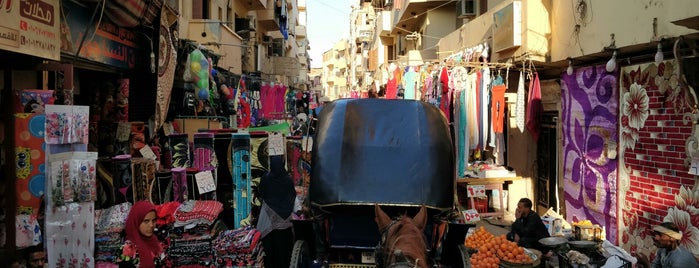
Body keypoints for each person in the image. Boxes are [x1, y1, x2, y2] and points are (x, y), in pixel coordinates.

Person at [257, 155, 296, 267]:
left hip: (269, 217)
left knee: (270, 246)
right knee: (284, 247)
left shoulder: (266, 177)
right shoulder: (287, 179)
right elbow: (292, 195)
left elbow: (261, 192)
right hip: (284, 220)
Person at [117, 200, 166, 268]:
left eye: (154, 220)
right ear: (136, 222)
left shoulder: (157, 243)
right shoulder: (127, 249)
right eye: (146, 221)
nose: (151, 225)